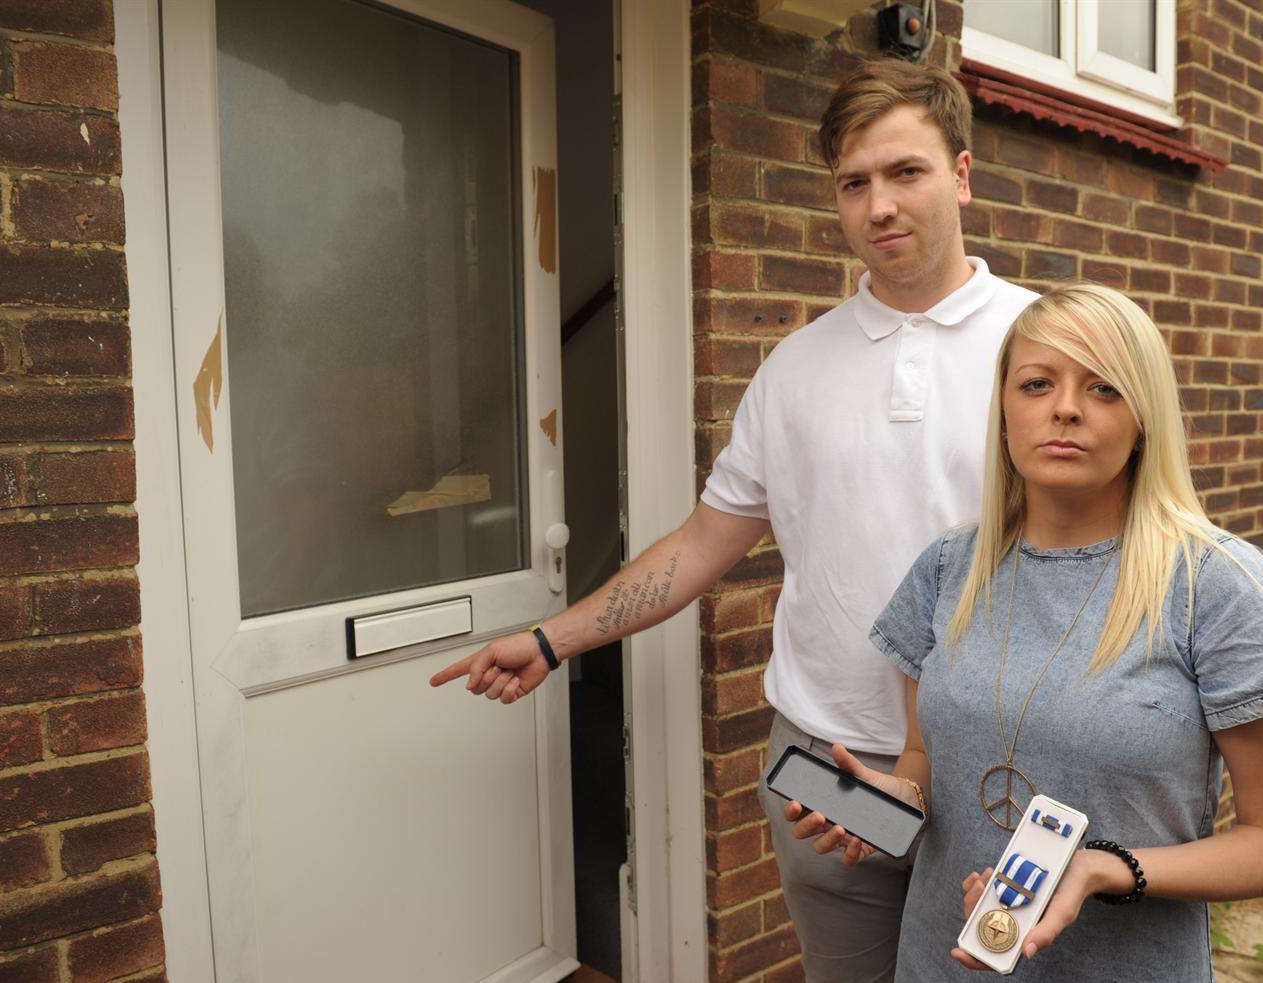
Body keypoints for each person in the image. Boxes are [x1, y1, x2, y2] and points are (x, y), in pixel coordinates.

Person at [430, 60, 1036, 981]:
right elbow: (702, 545)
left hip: (1000, 759)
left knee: (1005, 970)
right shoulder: (794, 368)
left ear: (960, 175)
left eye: (906, 172)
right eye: (854, 182)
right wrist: (553, 640)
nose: (879, 206)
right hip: (826, 759)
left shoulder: (1044, 347)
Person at [788, 283, 1263, 981]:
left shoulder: (1216, 587)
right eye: (1037, 383)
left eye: (1103, 388)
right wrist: (899, 798)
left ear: (1144, 417)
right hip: (941, 961)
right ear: (1005, 413)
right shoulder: (950, 567)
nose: (1064, 407)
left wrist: (1105, 868)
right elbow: (924, 753)